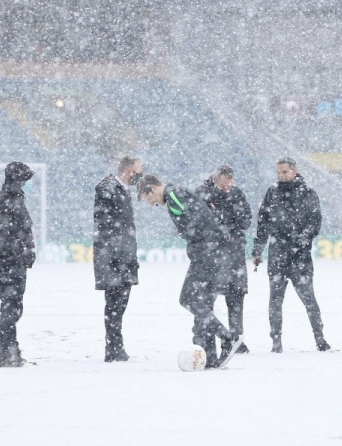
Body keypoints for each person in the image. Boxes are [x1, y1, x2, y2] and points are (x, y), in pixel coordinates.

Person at [137, 174, 243, 368]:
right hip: (213, 252)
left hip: (207, 253)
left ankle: (227, 338)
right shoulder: (179, 192)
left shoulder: (173, 195)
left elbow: (197, 221)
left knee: (188, 299)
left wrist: (187, 233)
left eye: (149, 198)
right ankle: (210, 357)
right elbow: (204, 213)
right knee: (203, 305)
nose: (152, 204)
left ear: (152, 188)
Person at [252, 157, 330, 353]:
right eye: (278, 172)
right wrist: (257, 249)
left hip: (299, 256)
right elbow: (263, 223)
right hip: (277, 254)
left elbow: (315, 221)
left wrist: (302, 240)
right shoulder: (272, 193)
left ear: (294, 171)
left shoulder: (308, 193)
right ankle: (276, 342)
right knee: (275, 300)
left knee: (309, 298)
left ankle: (320, 339)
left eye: (284, 172)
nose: (281, 175)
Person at [195, 165, 252, 354]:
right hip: (212, 254)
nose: (227, 189)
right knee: (207, 298)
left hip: (235, 252)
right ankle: (204, 339)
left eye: (229, 186)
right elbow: (203, 219)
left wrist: (225, 218)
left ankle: (237, 339)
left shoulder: (237, 193)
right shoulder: (202, 193)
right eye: (223, 186)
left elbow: (246, 220)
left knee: (236, 297)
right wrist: (223, 223)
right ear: (215, 180)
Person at [93, 156, 143, 362]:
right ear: (130, 171)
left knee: (120, 303)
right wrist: (117, 255)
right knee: (114, 303)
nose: (141, 174)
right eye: (139, 170)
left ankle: (115, 346)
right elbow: (107, 226)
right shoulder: (108, 188)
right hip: (113, 257)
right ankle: (113, 348)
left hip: (123, 255)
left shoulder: (121, 189)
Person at [0, 161, 36, 367]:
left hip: (11, 261)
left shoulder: (12, 199)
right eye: (25, 180)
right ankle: (5, 351)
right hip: (8, 262)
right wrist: (22, 251)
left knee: (13, 306)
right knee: (11, 307)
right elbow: (6, 235)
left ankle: (10, 348)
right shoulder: (7, 200)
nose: (27, 184)